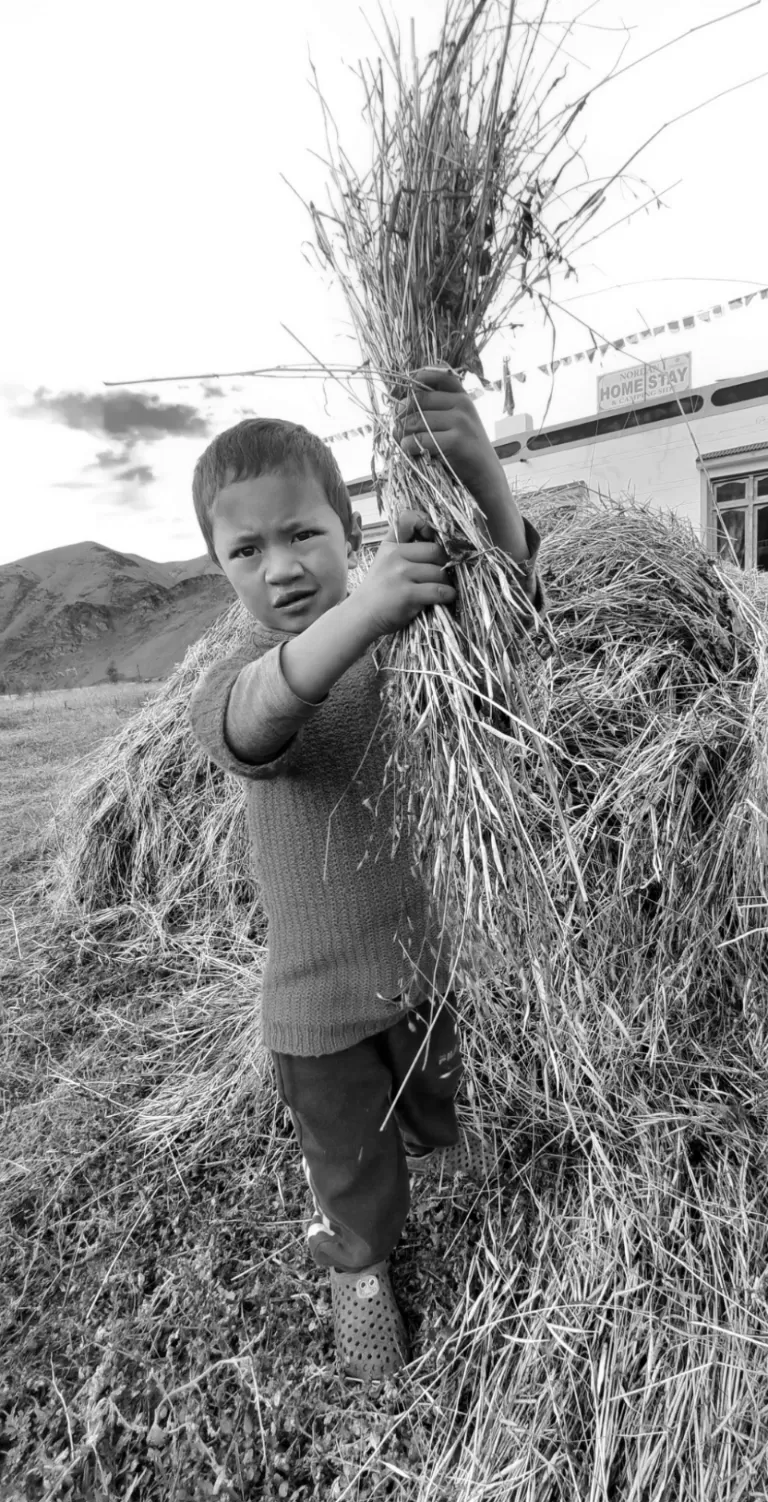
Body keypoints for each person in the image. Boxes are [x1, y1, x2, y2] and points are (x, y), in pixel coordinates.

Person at [187, 366, 544, 1384]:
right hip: (316, 1015)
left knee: (438, 1104)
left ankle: (439, 1157)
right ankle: (360, 1268)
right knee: (352, 1169)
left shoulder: (414, 649)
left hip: (423, 966)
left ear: (353, 528)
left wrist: (481, 472)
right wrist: (370, 611)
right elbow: (260, 719)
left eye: (303, 533)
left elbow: (515, 627)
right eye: (245, 549)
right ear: (219, 569)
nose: (282, 567)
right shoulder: (241, 679)